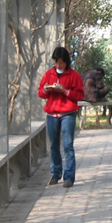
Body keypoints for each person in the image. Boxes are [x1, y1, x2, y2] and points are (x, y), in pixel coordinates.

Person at [38, 47, 85, 188]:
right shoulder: (48, 74)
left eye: (61, 63)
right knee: (53, 145)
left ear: (66, 62)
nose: (59, 66)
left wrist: (65, 91)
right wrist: (46, 90)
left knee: (68, 145)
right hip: (52, 113)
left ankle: (69, 177)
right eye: (56, 62)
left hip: (67, 113)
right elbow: (40, 92)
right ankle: (55, 174)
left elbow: (80, 95)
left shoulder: (73, 75)